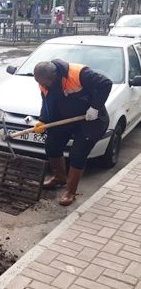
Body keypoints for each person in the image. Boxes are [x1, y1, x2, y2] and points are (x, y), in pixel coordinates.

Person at [33, 59, 112, 206]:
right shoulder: (43, 81)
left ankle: (70, 192)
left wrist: (95, 108)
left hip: (91, 119)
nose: (45, 85)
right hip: (67, 119)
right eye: (42, 83)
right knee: (52, 144)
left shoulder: (78, 73)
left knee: (78, 153)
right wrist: (43, 120)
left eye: (47, 82)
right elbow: (47, 103)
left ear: (56, 75)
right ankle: (59, 178)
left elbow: (106, 84)